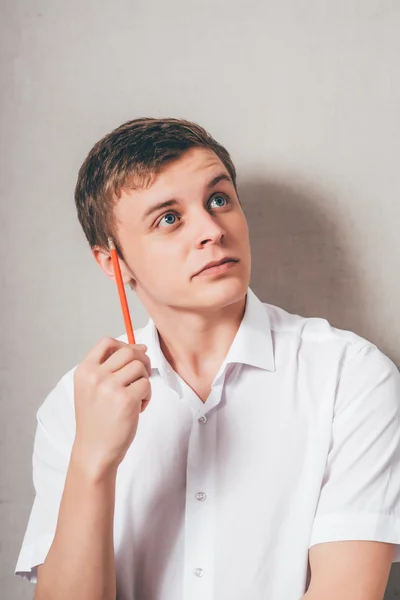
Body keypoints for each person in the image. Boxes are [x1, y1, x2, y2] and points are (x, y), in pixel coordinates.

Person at [15, 118, 400, 600]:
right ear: (113, 263)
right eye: (169, 218)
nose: (212, 230)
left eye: (218, 200)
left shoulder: (351, 377)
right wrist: (93, 461)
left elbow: (346, 592)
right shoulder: (73, 406)